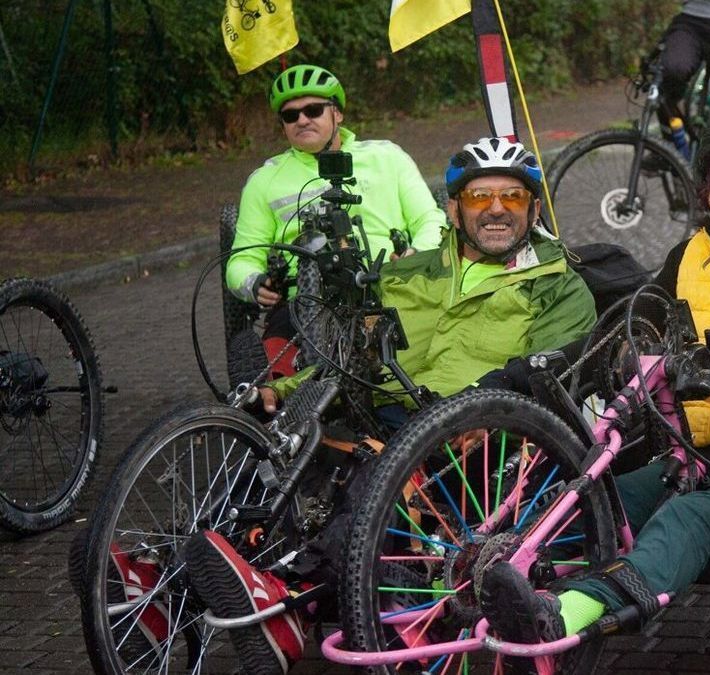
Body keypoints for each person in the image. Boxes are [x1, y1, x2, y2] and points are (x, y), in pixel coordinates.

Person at [182, 137, 597, 675]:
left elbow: (545, 372)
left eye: (512, 198)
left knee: (370, 471)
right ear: (453, 208)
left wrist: (475, 406)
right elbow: (353, 360)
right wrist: (282, 392)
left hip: (475, 438)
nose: (496, 209)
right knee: (278, 441)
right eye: (480, 197)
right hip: (383, 415)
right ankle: (178, 580)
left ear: (534, 209)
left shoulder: (559, 287)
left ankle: (293, 603)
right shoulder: (408, 272)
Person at [476, 115, 710, 671]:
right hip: (703, 458)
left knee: (690, 522)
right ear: (708, 191)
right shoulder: (690, 258)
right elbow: (616, 333)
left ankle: (562, 614)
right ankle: (490, 584)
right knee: (592, 505)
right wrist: (528, 370)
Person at [226, 64, 447, 377]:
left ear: (338, 114)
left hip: (392, 290)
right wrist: (255, 283)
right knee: (270, 392)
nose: (302, 120)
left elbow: (432, 221)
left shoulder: (388, 157)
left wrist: (417, 255)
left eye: (314, 110)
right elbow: (240, 261)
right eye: (291, 115)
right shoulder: (264, 181)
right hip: (302, 305)